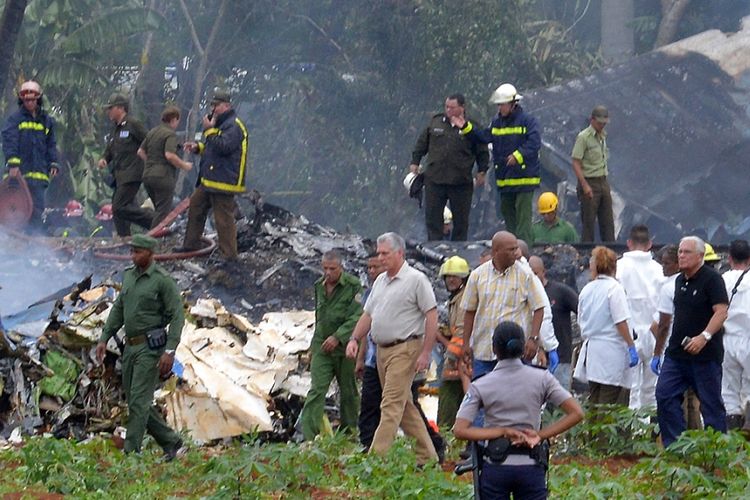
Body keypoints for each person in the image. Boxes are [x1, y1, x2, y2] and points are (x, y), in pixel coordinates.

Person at [453, 321, 584, 499]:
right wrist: (541, 435)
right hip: (531, 467)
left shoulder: (482, 384)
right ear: (523, 348)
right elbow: (577, 413)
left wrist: (501, 431)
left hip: (496, 468)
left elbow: (460, 429)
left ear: (494, 348)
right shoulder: (542, 378)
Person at [345, 232, 438, 464]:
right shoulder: (380, 281)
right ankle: (428, 456)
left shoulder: (416, 280)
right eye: (378, 253)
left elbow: (432, 315)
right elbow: (368, 314)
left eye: (385, 253)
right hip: (381, 351)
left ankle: (375, 460)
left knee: (390, 405)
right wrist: (354, 339)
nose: (381, 257)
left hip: (405, 348)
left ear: (400, 253)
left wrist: (426, 352)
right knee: (403, 406)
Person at [95, 234, 185, 459]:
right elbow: (118, 309)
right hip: (130, 347)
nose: (133, 256)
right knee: (138, 401)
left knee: (138, 401)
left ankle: (131, 454)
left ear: (150, 253)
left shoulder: (162, 280)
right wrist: (104, 338)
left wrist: (169, 351)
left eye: (138, 252)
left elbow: (177, 316)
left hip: (151, 348)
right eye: (131, 251)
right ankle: (172, 442)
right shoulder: (129, 277)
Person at [655, 236, 728, 447]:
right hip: (677, 354)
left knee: (711, 404)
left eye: (686, 252)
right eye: (679, 251)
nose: (681, 255)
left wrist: (704, 337)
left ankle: (717, 452)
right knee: (664, 395)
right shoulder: (679, 280)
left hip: (705, 356)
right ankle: (676, 447)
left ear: (700, 256)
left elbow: (721, 312)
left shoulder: (712, 279)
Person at [461, 231, 547, 402]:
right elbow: (469, 311)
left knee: (516, 401)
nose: (516, 253)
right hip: (484, 351)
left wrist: (533, 339)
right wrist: (465, 344)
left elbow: (539, 308)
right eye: (511, 249)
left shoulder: (525, 275)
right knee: (482, 402)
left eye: (516, 248)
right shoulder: (477, 276)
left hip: (515, 354)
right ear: (496, 252)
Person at [451, 84, 541, 244]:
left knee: (523, 223)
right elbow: (484, 137)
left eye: (503, 105)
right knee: (508, 218)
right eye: (498, 105)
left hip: (524, 181)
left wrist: (517, 156)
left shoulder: (527, 121)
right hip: (505, 180)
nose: (500, 108)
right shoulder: (497, 122)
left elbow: (534, 143)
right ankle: (513, 251)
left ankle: (525, 254)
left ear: (513, 104)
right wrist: (466, 127)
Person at [178, 91, 249, 260]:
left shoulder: (234, 125)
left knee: (223, 219)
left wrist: (209, 131)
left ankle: (229, 257)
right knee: (195, 206)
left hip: (224, 181)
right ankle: (190, 245)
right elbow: (213, 149)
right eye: (212, 105)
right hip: (210, 180)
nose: (213, 109)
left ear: (227, 106)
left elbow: (225, 147)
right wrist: (198, 148)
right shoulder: (220, 124)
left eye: (216, 105)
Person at [300, 250, 362, 440]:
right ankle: (308, 435)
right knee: (317, 389)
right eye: (325, 268)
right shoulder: (319, 286)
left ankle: (349, 433)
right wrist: (313, 347)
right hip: (322, 345)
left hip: (344, 347)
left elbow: (357, 316)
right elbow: (319, 318)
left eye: (332, 269)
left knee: (348, 391)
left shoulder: (352, 285)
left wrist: (338, 337)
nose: (328, 273)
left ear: (340, 268)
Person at [409, 94, 489, 241]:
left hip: (460, 181)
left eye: (452, 107)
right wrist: (415, 161)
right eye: (446, 107)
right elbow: (421, 144)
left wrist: (482, 171)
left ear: (462, 107)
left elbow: (482, 151)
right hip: (435, 179)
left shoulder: (472, 126)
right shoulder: (435, 122)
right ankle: (434, 247)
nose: (448, 110)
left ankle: (459, 250)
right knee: (433, 218)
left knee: (461, 221)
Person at [574, 246, 638, 406]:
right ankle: (604, 433)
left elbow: (581, 320)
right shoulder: (614, 289)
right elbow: (620, 320)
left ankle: (591, 432)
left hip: (592, 353)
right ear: (613, 266)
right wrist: (631, 345)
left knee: (594, 402)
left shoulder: (587, 289)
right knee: (609, 406)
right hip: (612, 353)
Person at [651, 245, 702, 430]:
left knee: (673, 397)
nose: (663, 267)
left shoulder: (668, 286)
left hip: (673, 352)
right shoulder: (699, 282)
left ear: (677, 264)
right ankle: (696, 439)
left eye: (666, 263)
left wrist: (658, 351)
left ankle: (677, 441)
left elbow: (658, 325)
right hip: (695, 347)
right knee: (693, 400)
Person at [616, 224, 664, 409]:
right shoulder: (659, 269)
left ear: (628, 243)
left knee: (632, 389)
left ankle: (634, 432)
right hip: (655, 333)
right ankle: (652, 431)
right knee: (652, 390)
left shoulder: (619, 268)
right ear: (650, 244)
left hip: (629, 335)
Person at [1, 80, 59, 233]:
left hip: (39, 175)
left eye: (32, 99)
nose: (29, 102)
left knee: (37, 211)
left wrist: (53, 162)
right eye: (26, 100)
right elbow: (9, 141)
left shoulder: (46, 121)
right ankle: (16, 243)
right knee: (17, 211)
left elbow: (51, 144)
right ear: (22, 99)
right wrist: (13, 164)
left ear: (38, 99)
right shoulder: (15, 119)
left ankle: (34, 246)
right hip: (20, 175)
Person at [97, 93, 153, 237]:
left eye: (111, 108)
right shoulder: (116, 129)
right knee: (120, 212)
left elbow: (149, 141)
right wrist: (104, 159)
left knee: (118, 207)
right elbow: (111, 148)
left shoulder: (133, 124)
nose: (108, 112)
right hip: (119, 176)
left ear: (121, 108)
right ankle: (125, 240)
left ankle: (155, 222)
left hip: (132, 174)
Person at [137, 106, 193, 228]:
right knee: (163, 213)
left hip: (147, 176)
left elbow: (140, 151)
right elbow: (169, 155)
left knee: (159, 210)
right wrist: (185, 165)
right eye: (178, 121)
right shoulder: (170, 134)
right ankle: (151, 241)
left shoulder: (152, 132)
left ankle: (152, 238)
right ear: (173, 120)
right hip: (163, 177)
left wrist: (152, 162)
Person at [529, 255, 579, 391]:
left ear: (543, 272)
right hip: (535, 357)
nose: (533, 277)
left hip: (561, 355)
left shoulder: (560, 291)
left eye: (536, 273)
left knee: (560, 399)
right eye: (530, 273)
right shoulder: (526, 293)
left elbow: (582, 311)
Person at [436, 256, 471, 428]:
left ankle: (447, 432)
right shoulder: (457, 298)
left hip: (458, 361)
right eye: (448, 276)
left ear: (463, 278)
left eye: (454, 276)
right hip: (460, 360)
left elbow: (462, 331)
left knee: (449, 400)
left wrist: (444, 344)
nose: (450, 280)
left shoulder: (464, 299)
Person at [571, 105, 614, 242]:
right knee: (589, 222)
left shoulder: (602, 136)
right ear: (592, 120)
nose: (602, 126)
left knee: (607, 221)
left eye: (604, 123)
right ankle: (587, 253)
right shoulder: (584, 137)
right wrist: (585, 186)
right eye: (600, 123)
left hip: (603, 180)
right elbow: (576, 162)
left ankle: (611, 251)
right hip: (589, 182)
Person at [720, 239, 750, 429]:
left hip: (726, 340)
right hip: (748, 339)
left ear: (729, 258)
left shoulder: (721, 279)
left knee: (728, 391)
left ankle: (733, 439)